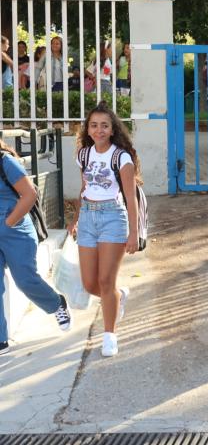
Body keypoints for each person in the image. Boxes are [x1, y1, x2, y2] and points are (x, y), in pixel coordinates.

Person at [68, 101, 140, 357]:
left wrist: (134, 233)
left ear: (112, 130)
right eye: (94, 125)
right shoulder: (83, 154)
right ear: (88, 129)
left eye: (104, 126)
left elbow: (130, 198)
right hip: (88, 217)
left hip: (113, 218)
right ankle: (117, 297)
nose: (99, 130)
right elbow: (84, 188)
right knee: (90, 284)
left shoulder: (121, 157)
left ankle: (110, 335)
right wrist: (76, 218)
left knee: (105, 280)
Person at [0, 140, 72, 356]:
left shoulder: (6, 162)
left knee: (25, 280)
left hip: (16, 232)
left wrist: (7, 223)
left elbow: (30, 195)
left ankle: (57, 303)